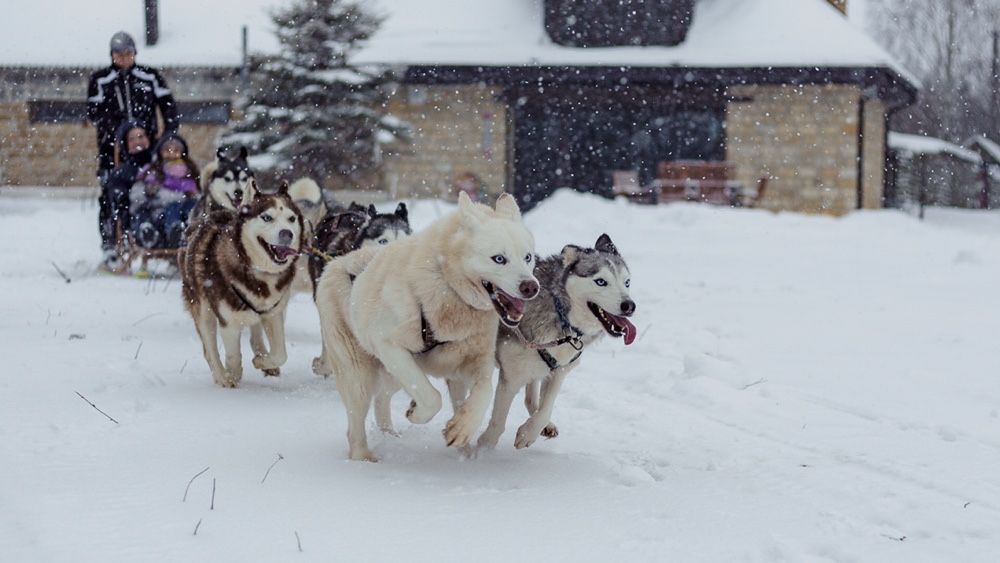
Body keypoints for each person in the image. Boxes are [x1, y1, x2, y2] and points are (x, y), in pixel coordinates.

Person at [87, 31, 178, 263]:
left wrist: (166, 138)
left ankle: (160, 238)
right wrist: (117, 131)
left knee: (157, 192)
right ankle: (111, 243)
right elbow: (93, 113)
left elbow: (169, 109)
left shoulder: (150, 77)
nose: (124, 58)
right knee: (111, 196)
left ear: (135, 53)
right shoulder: (100, 79)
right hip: (112, 152)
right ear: (112, 55)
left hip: (148, 150)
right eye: (119, 54)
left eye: (128, 53)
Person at [98, 121, 154, 270]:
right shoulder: (122, 172)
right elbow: (115, 199)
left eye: (141, 136)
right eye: (132, 139)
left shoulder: (160, 163)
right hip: (136, 215)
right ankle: (110, 247)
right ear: (125, 144)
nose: (138, 141)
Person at [130, 133, 200, 249]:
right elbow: (137, 195)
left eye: (176, 150)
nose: (171, 153)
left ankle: (190, 231)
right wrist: (149, 192)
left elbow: (198, 193)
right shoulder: (152, 171)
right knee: (172, 207)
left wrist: (191, 195)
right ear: (160, 152)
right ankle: (173, 231)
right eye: (167, 150)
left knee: (191, 208)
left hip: (184, 212)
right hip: (160, 214)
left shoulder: (190, 171)